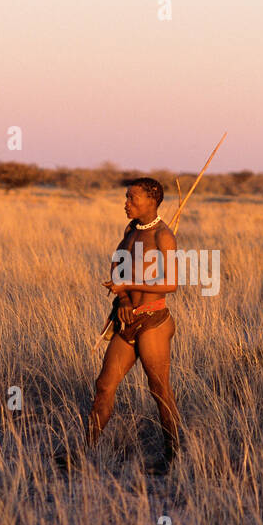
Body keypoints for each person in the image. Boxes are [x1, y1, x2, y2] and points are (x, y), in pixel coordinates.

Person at [87, 177, 182, 466]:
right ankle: (87, 452)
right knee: (104, 385)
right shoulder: (130, 230)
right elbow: (117, 263)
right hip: (126, 319)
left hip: (153, 320)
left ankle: (173, 457)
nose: (126, 203)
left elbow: (171, 283)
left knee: (159, 389)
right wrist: (125, 300)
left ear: (152, 201)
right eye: (127, 197)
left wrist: (128, 283)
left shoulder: (163, 236)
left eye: (132, 198)